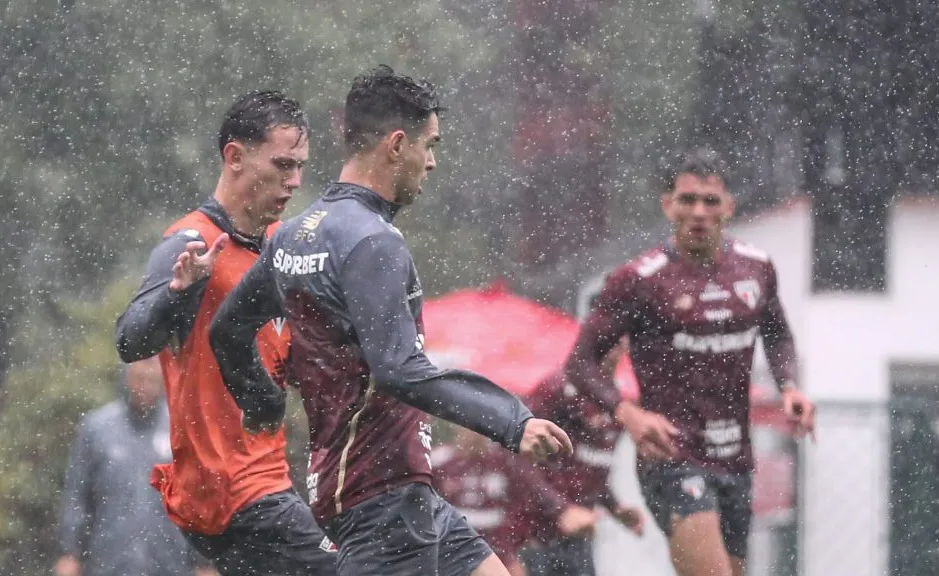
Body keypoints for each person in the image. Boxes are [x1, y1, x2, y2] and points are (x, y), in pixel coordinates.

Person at [208, 65, 572, 576]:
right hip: (381, 499)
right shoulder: (371, 240)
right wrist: (513, 422)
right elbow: (399, 370)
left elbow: (225, 331)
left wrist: (263, 402)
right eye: (430, 145)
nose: (433, 162)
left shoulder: (295, 234)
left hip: (387, 490)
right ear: (397, 145)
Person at [114, 91, 336, 576]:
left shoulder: (282, 246)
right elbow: (130, 342)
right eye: (281, 164)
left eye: (299, 166)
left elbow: (287, 363)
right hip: (229, 488)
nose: (294, 181)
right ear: (234, 157)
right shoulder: (191, 242)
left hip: (263, 479)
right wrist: (177, 292)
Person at [566, 148, 816, 576]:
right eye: (687, 200)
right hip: (673, 457)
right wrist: (629, 414)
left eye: (710, 201)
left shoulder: (756, 268)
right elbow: (580, 362)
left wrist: (790, 386)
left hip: (736, 458)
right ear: (668, 206)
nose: (699, 212)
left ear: (729, 206)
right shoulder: (639, 279)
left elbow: (776, 332)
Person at [55, 357, 217, 576]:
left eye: (152, 380)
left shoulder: (181, 429)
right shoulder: (97, 429)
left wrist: (205, 561)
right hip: (109, 562)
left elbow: (199, 498)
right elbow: (77, 496)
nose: (145, 386)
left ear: (163, 381)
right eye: (139, 378)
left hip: (169, 564)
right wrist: (69, 553)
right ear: (127, 377)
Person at [520, 337, 644, 576]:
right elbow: (518, 457)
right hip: (535, 534)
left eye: (618, 342)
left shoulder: (618, 402)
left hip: (579, 537)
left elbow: (588, 468)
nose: (611, 350)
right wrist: (561, 510)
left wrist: (614, 506)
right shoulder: (558, 388)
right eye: (606, 339)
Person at [432, 426, 597, 576]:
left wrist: (562, 510)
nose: (472, 432)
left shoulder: (505, 460)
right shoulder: (438, 460)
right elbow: (424, 509)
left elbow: (532, 492)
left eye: (477, 427)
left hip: (498, 549)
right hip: (449, 550)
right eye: (466, 427)